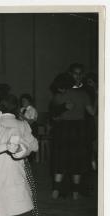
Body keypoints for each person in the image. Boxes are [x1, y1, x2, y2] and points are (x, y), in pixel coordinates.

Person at [49, 72, 95, 200]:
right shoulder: (83, 94)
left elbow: (54, 117)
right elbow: (92, 112)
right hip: (79, 130)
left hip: (63, 130)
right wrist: (95, 95)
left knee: (60, 160)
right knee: (77, 162)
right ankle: (75, 193)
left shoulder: (58, 96)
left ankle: (56, 191)